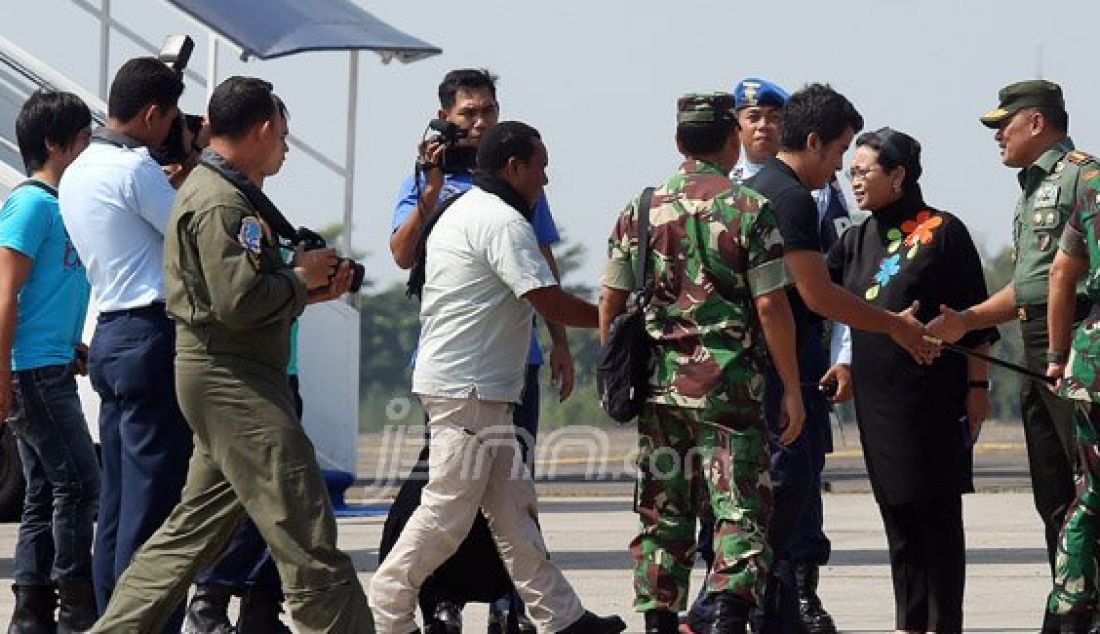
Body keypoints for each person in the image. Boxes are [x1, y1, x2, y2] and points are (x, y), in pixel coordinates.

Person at [91, 76, 373, 632]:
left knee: (190, 532)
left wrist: (310, 288)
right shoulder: (222, 202)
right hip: (235, 383)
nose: (286, 148)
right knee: (304, 522)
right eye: (284, 136)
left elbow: (234, 296)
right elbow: (238, 300)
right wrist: (300, 278)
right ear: (264, 129)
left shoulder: (217, 192)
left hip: (226, 373)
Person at [369, 120, 624, 634]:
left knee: (512, 512)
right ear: (514, 167)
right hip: (470, 391)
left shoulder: (464, 210)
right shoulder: (501, 221)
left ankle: (561, 617)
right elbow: (544, 296)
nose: (545, 180)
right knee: (445, 515)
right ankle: (383, 610)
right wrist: (613, 318)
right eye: (541, 168)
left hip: (476, 387)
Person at [599, 92, 803, 634]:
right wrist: (792, 386)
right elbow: (770, 303)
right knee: (738, 509)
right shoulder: (750, 209)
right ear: (733, 139)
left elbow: (611, 303)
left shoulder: (639, 209)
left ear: (678, 142)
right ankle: (730, 621)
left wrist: (614, 369)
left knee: (663, 513)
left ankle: (660, 623)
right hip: (728, 389)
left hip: (659, 392)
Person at [741, 83, 931, 633]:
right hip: (783, 371)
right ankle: (723, 605)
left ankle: (771, 611)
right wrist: (896, 325)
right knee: (786, 495)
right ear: (816, 141)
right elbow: (816, 294)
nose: (841, 166)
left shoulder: (757, 188)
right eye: (841, 150)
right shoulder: (792, 198)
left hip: (763, 367)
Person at [388, 68, 571, 633]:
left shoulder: (518, 179)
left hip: (515, 363)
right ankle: (420, 601)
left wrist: (560, 341)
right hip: (462, 371)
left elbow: (542, 264)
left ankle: (525, 607)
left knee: (512, 497)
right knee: (450, 499)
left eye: (487, 110)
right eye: (468, 112)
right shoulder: (433, 183)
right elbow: (400, 254)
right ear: (444, 117)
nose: (480, 120)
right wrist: (431, 193)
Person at [926, 79, 1087, 632]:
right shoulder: (1030, 190)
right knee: (1053, 494)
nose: (998, 137)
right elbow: (1030, 286)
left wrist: (1069, 351)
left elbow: (1068, 281)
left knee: (1088, 488)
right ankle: (1070, 601)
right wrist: (966, 321)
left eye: (1005, 125)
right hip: (1037, 346)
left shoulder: (1082, 179)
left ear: (1036, 123)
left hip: (1080, 350)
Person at [828, 127, 996, 632]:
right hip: (878, 401)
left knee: (936, 517)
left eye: (864, 171)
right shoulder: (855, 239)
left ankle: (945, 623)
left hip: (933, 396)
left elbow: (976, 323)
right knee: (897, 517)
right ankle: (910, 621)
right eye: (850, 171)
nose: (854, 181)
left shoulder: (944, 231)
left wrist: (977, 388)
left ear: (898, 174)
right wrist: (843, 363)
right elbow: (830, 303)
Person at [57, 56, 195, 628]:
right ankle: (145, 621)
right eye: (171, 120)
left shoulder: (80, 168)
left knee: (116, 503)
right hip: (150, 332)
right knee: (153, 501)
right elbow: (187, 232)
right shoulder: (135, 168)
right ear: (153, 113)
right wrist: (190, 161)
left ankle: (114, 616)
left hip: (110, 331)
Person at [1, 90, 98, 634]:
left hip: (51, 364)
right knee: (82, 484)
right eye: (83, 141)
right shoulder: (31, 204)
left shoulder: (62, 207)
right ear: (55, 145)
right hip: (31, 372)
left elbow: (44, 297)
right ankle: (75, 606)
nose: (89, 150)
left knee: (45, 488)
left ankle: (31, 610)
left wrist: (71, 347)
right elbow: (5, 295)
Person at [1044, 124, 1100, 633]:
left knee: (1090, 494)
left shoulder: (1092, 186)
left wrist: (1058, 355)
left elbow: (1061, 273)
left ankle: (1070, 605)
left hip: (1093, 358)